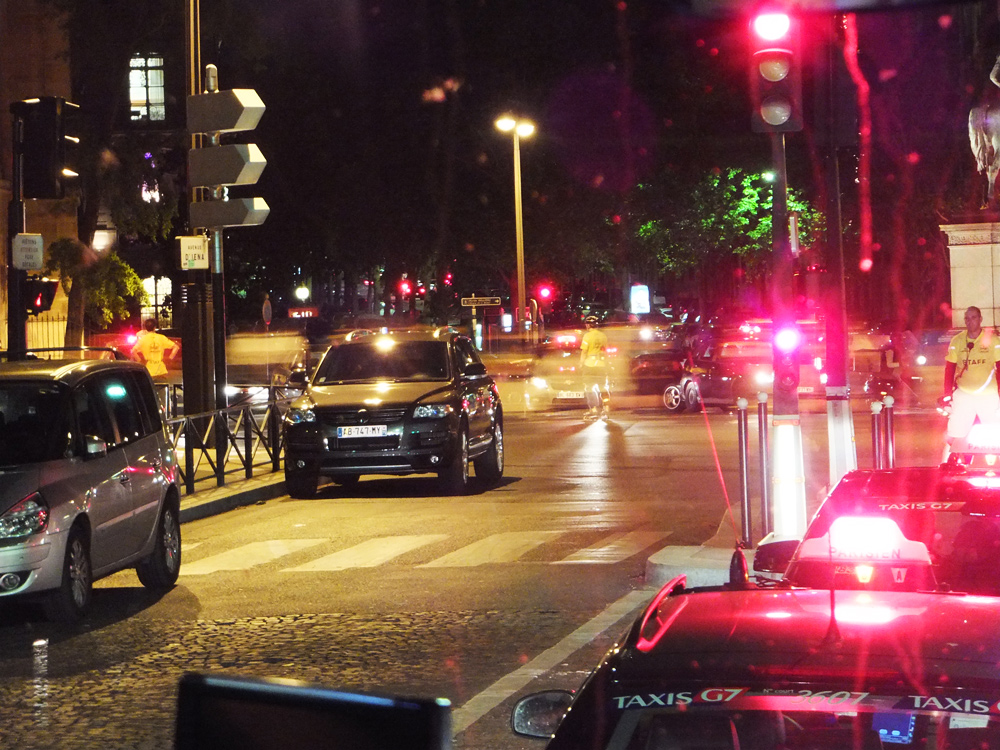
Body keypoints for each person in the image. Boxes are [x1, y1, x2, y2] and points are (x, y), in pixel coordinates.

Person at [940, 306, 1000, 454]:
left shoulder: (993, 340)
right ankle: (952, 462)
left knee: (996, 432)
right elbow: (950, 368)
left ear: (980, 319)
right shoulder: (957, 341)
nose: (970, 321)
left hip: (988, 394)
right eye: (967, 318)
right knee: (954, 434)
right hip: (964, 394)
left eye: (973, 317)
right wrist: (947, 393)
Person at [580, 315, 609, 419]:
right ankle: (606, 408)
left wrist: (581, 363)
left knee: (589, 387)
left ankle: (593, 409)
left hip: (590, 364)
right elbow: (605, 350)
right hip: (601, 364)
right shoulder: (603, 336)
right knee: (603, 387)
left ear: (588, 325)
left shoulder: (587, 336)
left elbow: (584, 351)